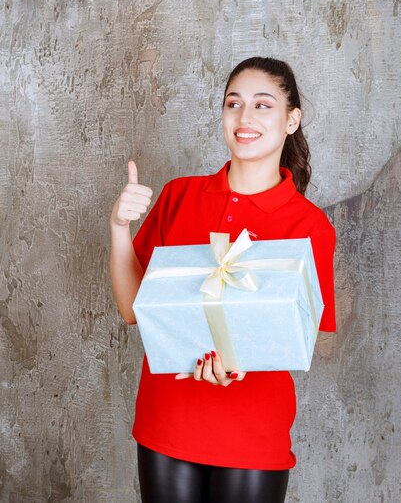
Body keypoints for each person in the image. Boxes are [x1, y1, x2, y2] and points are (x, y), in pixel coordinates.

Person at [110, 56, 336, 503]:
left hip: (253, 431)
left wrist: (243, 357)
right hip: (167, 421)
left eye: (262, 105)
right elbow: (132, 309)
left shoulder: (310, 227)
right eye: (233, 103)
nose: (244, 117)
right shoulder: (179, 196)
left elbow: (313, 339)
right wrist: (118, 227)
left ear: (292, 120)